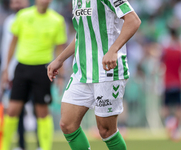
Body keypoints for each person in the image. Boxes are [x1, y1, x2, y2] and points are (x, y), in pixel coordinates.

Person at [48, 0, 141, 149]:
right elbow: (82, 34)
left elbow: (134, 20)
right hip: (82, 71)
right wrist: (60, 59)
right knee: (67, 124)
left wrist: (113, 50)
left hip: (107, 72)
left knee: (106, 130)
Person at [1, 0, 67, 149]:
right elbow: (12, 43)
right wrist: (5, 70)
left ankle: (44, 147)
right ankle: (4, 147)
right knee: (12, 110)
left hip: (43, 69)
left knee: (42, 112)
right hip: (22, 68)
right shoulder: (23, 16)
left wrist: (60, 76)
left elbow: (59, 49)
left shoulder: (57, 20)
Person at [0, 0, 29, 150]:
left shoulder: (31, 17)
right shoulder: (8, 22)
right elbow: (6, 48)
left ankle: (41, 146)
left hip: (31, 69)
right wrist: (4, 71)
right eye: (14, 1)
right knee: (15, 110)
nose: (17, 3)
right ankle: (20, 145)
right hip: (13, 74)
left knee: (38, 109)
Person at [160, 27, 181, 140]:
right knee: (178, 106)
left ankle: (169, 125)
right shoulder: (179, 51)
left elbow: (160, 63)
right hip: (177, 83)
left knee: (166, 106)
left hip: (167, 82)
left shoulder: (166, 50)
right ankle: (176, 128)